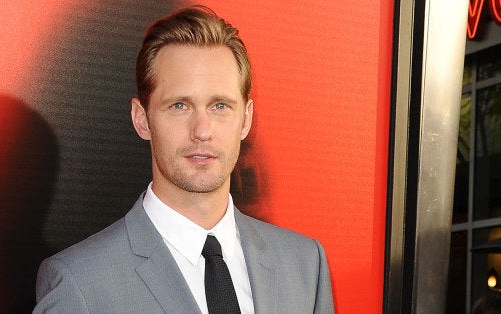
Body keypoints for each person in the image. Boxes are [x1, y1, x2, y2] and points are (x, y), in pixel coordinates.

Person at [33, 5, 334, 313]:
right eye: (179, 106)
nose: (202, 131)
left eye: (220, 106)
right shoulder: (81, 284)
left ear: (246, 119)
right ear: (142, 119)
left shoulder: (305, 265)